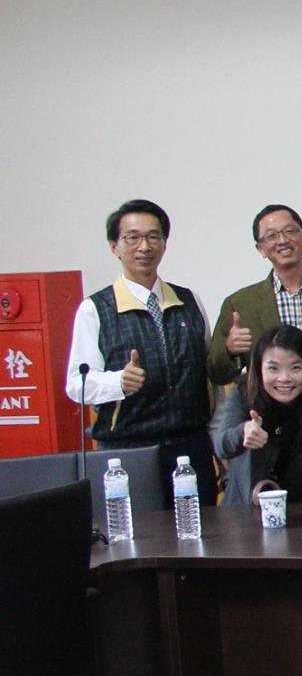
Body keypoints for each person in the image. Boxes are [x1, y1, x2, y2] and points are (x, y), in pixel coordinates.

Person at [64, 199, 212, 502]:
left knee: (201, 528)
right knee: (139, 531)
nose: (144, 246)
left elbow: (208, 374)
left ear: (165, 244)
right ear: (114, 246)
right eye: (133, 237)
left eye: (153, 236)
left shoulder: (189, 301)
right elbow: (76, 384)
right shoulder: (95, 309)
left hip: (190, 448)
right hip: (128, 452)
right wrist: (117, 382)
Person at [206, 204, 302, 386]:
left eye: (290, 231)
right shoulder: (240, 304)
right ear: (260, 248)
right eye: (271, 236)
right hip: (270, 403)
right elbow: (216, 374)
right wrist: (229, 350)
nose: (283, 240)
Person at [210, 324, 302, 505]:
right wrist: (243, 431)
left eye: (296, 368)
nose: (284, 378)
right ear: (259, 369)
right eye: (273, 368)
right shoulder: (243, 394)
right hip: (245, 510)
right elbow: (221, 445)